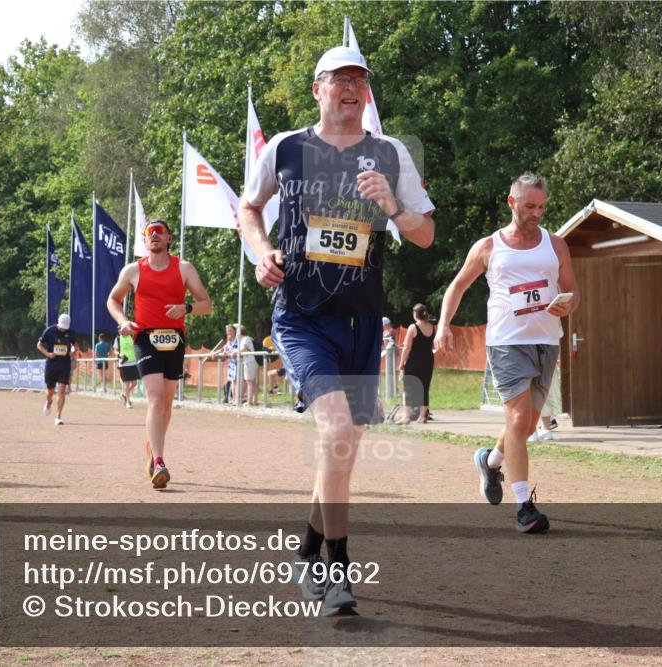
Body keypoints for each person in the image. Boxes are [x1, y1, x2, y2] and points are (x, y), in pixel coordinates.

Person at [240, 45, 435, 615]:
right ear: (318, 89)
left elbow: (424, 235)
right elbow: (249, 208)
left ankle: (306, 552)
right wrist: (261, 252)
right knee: (338, 427)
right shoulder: (285, 148)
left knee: (341, 447)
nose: (352, 88)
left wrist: (394, 206)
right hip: (300, 314)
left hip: (360, 320)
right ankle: (337, 570)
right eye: (340, 79)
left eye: (361, 81)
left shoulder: (390, 153)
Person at [436, 173, 577, 534]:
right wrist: (443, 326)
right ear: (511, 202)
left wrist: (569, 305)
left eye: (542, 207)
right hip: (506, 343)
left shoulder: (556, 244)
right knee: (517, 421)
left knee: (528, 426)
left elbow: (572, 290)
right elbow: (457, 286)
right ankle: (523, 507)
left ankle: (491, 461)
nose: (537, 213)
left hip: (546, 342)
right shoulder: (488, 246)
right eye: (530, 206)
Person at [107, 220, 212, 490]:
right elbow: (113, 299)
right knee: (154, 398)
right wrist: (123, 321)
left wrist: (186, 308)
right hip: (144, 338)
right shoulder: (133, 270)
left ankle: (152, 448)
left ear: (169, 239)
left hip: (174, 339)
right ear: (144, 241)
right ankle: (160, 462)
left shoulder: (184, 268)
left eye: (159, 232)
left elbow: (206, 305)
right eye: (149, 232)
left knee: (166, 403)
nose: (154, 235)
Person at [396, 304, 436, 424]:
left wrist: (401, 362)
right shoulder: (432, 327)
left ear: (415, 314)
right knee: (424, 387)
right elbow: (431, 345)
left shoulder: (413, 327)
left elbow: (407, 347)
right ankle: (423, 417)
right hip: (428, 360)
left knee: (408, 388)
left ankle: (406, 417)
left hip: (414, 360)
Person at [37, 313, 76, 425]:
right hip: (51, 365)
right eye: (61, 327)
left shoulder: (71, 333)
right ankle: (49, 402)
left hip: (64, 365)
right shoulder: (49, 331)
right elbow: (39, 345)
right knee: (50, 391)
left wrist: (72, 353)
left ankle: (58, 416)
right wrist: (48, 354)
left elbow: (75, 346)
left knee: (62, 390)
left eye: (65, 328)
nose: (63, 330)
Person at [115, 333, 138, 408]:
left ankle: (124, 393)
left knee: (134, 383)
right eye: (120, 329)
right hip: (124, 364)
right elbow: (115, 351)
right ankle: (128, 402)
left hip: (133, 363)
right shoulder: (118, 339)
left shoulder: (132, 336)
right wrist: (119, 355)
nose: (121, 331)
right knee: (126, 383)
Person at [238, 325, 259, 406]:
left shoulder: (245, 339)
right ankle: (254, 400)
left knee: (249, 382)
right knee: (252, 382)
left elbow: (244, 348)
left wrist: (236, 351)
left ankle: (249, 402)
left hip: (249, 362)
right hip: (250, 361)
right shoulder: (246, 338)